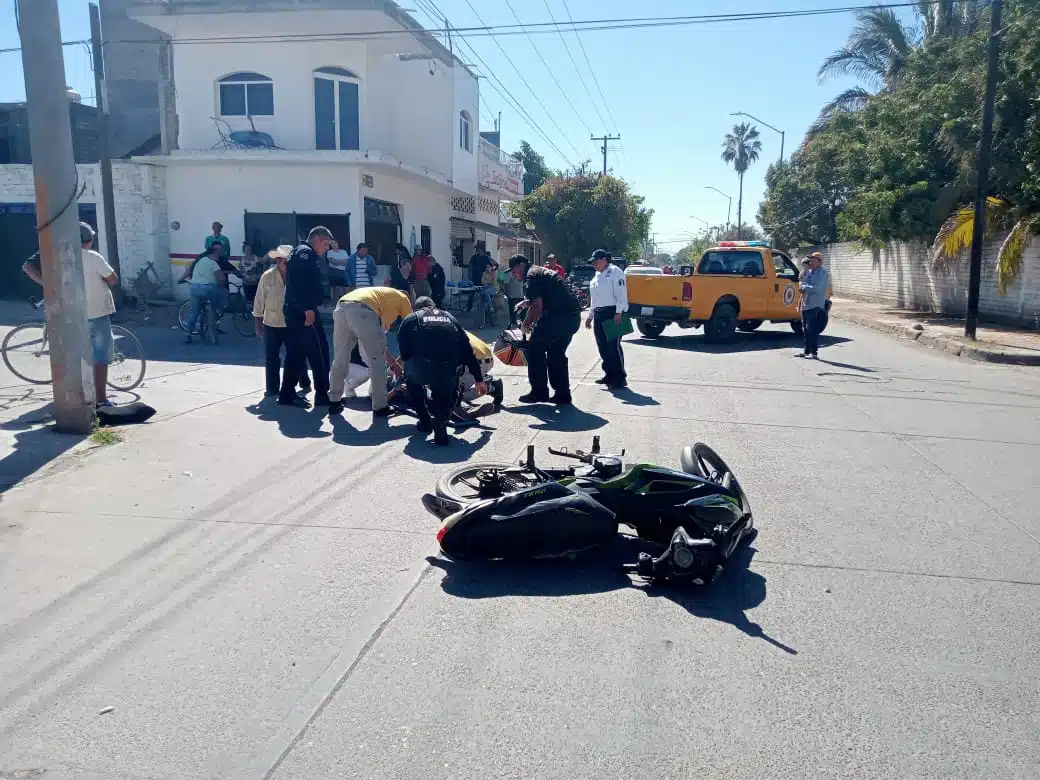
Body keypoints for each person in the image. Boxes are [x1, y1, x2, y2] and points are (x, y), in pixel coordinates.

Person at [23, 224, 120, 407]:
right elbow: (112, 279)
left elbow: (28, 266)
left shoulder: (57, 254)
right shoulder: (92, 257)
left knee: (72, 355)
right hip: (96, 313)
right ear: (89, 240)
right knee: (100, 356)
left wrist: (47, 285)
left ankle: (71, 397)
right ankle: (101, 399)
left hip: (69, 313)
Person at [397, 296, 486, 445]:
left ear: (416, 308)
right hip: (447, 368)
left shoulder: (411, 318)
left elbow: (404, 352)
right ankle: (440, 420)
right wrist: (478, 379)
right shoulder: (449, 317)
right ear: (435, 306)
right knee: (444, 393)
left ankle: (425, 421)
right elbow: (467, 350)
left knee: (412, 379)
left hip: (422, 368)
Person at [327, 286, 412, 417]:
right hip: (362, 310)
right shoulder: (403, 298)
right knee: (377, 362)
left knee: (340, 358)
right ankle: (380, 407)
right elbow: (412, 325)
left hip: (341, 307)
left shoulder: (381, 297)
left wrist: (394, 365)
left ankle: (334, 401)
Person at [509, 254, 581, 405]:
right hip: (571, 318)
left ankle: (538, 393)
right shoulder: (540, 272)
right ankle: (563, 394)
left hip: (557, 319)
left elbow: (538, 306)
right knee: (556, 354)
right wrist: (527, 303)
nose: (514, 275)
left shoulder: (531, 276)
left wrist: (526, 325)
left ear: (521, 266)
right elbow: (547, 296)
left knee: (535, 351)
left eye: (514, 271)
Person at [280, 226, 333, 406]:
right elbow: (300, 283)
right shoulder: (306, 253)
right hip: (303, 310)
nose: (327, 248)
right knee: (318, 351)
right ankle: (322, 395)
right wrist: (308, 307)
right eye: (326, 244)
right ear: (317, 238)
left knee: (296, 352)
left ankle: (286, 393)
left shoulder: (302, 252)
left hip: (297, 309)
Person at [253, 245, 312, 397]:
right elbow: (259, 300)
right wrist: (258, 324)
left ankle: (304, 382)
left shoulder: (298, 277)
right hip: (271, 323)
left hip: (292, 323)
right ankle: (272, 389)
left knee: (297, 355)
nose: (288, 265)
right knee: (272, 357)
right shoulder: (268, 276)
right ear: (278, 261)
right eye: (285, 262)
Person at [585, 249, 629, 388]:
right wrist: (590, 316)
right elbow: (595, 299)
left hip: (613, 312)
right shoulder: (597, 276)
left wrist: (619, 312)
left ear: (604, 259)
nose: (594, 265)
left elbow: (621, 293)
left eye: (596, 261)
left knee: (613, 347)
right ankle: (609, 374)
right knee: (602, 347)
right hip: (599, 313)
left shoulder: (615, 272)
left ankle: (620, 377)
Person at [182, 242, 227, 345]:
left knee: (194, 313)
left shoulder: (200, 261)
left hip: (194, 290)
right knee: (222, 295)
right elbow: (221, 279)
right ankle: (218, 311)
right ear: (214, 254)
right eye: (218, 254)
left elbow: (191, 273)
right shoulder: (214, 264)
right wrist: (222, 284)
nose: (219, 256)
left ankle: (188, 335)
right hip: (208, 290)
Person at [798, 251, 830, 360]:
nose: (810, 261)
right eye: (810, 259)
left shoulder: (823, 273)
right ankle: (806, 351)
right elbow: (803, 283)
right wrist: (802, 286)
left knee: (812, 329)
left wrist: (805, 287)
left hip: (815, 304)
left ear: (819, 261)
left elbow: (818, 288)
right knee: (805, 329)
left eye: (813, 259)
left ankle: (814, 353)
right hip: (806, 303)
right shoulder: (810, 272)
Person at [499, 260, 525, 326]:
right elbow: (505, 283)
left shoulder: (522, 271)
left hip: (520, 293)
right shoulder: (507, 272)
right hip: (512, 294)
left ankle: (521, 321)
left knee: (521, 308)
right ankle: (513, 321)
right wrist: (506, 292)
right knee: (512, 308)